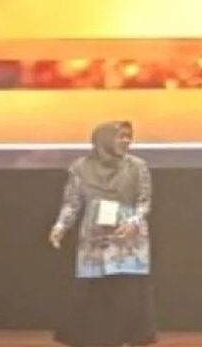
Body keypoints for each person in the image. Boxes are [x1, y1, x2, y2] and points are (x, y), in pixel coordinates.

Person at [49, 121, 156, 347]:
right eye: (120, 136)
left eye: (129, 136)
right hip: (95, 234)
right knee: (96, 289)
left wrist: (135, 221)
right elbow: (72, 202)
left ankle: (127, 338)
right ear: (104, 139)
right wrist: (60, 226)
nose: (126, 141)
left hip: (127, 236)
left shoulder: (138, 166)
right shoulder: (80, 167)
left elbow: (144, 201)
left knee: (127, 288)